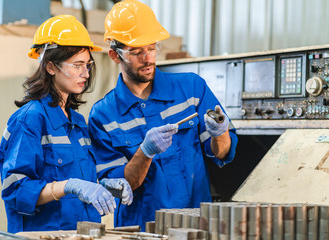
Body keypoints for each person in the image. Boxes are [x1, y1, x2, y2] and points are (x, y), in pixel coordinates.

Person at [88, 0, 238, 230]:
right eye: (136, 52)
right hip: (140, 230)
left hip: (196, 224)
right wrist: (145, 152)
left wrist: (220, 132)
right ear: (115, 55)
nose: (147, 58)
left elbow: (223, 153)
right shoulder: (104, 116)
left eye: (151, 48)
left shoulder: (191, 89)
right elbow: (121, 186)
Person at [0, 15, 133, 233]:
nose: (86, 73)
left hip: (79, 234)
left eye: (88, 65)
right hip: (43, 235)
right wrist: (71, 186)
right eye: (77, 65)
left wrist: (104, 186)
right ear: (50, 67)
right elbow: (16, 191)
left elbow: (83, 181)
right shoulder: (30, 120)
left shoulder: (78, 122)